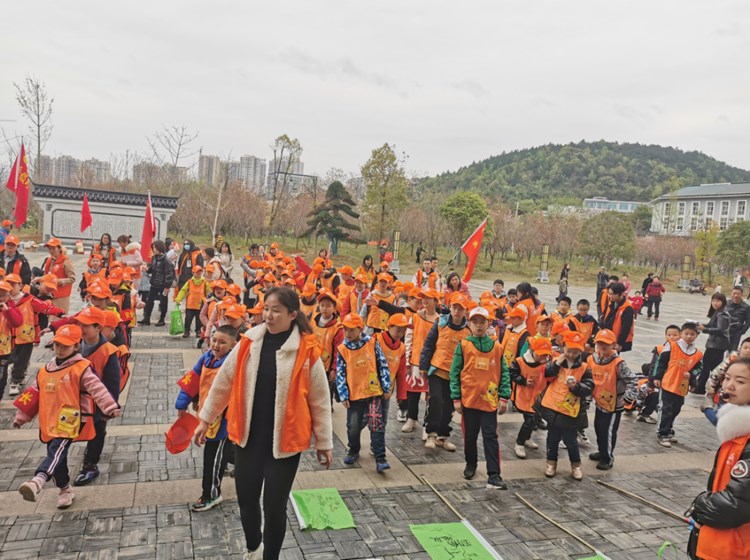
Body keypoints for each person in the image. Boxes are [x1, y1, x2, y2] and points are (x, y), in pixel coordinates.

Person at [195, 287, 333, 560]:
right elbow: (223, 381)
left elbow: (319, 398)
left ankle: (271, 556)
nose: (268, 316)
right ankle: (254, 547)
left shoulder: (305, 350)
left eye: (276, 311)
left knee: (274, 506)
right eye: (266, 309)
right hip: (248, 437)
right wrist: (205, 418)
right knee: (246, 500)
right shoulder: (250, 341)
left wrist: (324, 441)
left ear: (293, 315)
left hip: (285, 442)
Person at [14, 324, 121, 509]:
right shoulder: (45, 369)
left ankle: (37, 481)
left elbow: (97, 388)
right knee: (57, 456)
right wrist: (22, 416)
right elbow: (33, 393)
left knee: (57, 449)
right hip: (49, 419)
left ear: (76, 346)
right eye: (57, 345)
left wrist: (110, 406)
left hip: (71, 419)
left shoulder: (82, 367)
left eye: (65, 345)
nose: (60, 349)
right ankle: (64, 488)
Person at [686, 357, 750, 560]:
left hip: (735, 549)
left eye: (741, 381)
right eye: (728, 378)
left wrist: (698, 506)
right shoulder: (736, 432)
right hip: (718, 542)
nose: (730, 385)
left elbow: (735, 505)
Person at [176, 325, 237, 511]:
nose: (216, 345)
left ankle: (211, 494)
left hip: (223, 420)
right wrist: (182, 403)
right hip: (206, 414)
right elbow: (192, 380)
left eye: (222, 342)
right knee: (224, 452)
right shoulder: (206, 358)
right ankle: (249, 464)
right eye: (214, 340)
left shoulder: (232, 364)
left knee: (212, 458)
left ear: (234, 345)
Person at [450, 307, 510, 489]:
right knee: (470, 436)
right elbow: (455, 373)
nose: (478, 326)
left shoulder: (497, 347)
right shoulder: (463, 345)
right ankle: (471, 463)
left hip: (489, 401)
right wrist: (456, 398)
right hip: (469, 400)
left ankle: (494, 474)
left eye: (482, 322)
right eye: (475, 322)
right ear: (469, 324)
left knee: (490, 437)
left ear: (488, 324)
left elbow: (504, 373)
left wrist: (504, 396)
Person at [72, 307, 122, 486]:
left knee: (97, 431)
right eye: (79, 324)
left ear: (99, 327)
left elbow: (112, 383)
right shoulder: (74, 344)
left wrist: (109, 407)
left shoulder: (108, 351)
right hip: (73, 401)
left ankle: (90, 465)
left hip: (96, 404)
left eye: (87, 325)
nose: (82, 328)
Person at [335, 313, 392, 471]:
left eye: (351, 330)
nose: (347, 333)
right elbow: (340, 373)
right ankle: (353, 450)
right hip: (354, 395)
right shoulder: (342, 349)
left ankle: (380, 457)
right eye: (345, 329)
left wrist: (386, 386)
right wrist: (343, 395)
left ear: (360, 329)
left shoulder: (372, 343)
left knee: (376, 423)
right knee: (353, 425)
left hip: (373, 393)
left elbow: (382, 365)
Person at [539, 330, 594, 481]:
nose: (571, 354)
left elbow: (589, 387)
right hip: (553, 406)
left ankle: (576, 466)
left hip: (570, 409)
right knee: (552, 437)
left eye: (575, 352)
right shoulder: (557, 361)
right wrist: (555, 364)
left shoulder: (584, 367)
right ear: (563, 347)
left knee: (570, 439)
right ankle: (551, 463)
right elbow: (546, 373)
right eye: (569, 351)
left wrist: (576, 387)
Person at [420, 292, 471, 451]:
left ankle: (442, 436)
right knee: (435, 400)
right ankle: (430, 433)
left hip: (455, 375)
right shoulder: (440, 322)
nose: (457, 311)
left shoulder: (469, 330)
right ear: (449, 307)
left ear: (465, 311)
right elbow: (429, 345)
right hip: (437, 369)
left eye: (460, 308)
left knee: (449, 406)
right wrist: (423, 366)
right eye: (454, 307)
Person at [7, 273, 65, 396]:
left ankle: (16, 381)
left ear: (20, 285)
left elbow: (46, 307)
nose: (10, 286)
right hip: (5, 337)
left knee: (22, 360)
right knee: (8, 359)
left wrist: (60, 313)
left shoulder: (29, 299)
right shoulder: (3, 300)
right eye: (8, 283)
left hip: (25, 336)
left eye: (13, 284)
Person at [586, 329, 635, 471]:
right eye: (599, 343)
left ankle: (607, 458)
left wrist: (629, 397)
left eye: (606, 344)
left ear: (613, 345)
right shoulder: (591, 359)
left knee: (608, 431)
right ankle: (602, 451)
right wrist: (587, 399)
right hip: (599, 402)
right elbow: (589, 381)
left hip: (614, 405)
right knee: (599, 428)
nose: (602, 347)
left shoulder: (619, 363)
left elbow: (632, 380)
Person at [653, 322, 703, 448]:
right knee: (666, 409)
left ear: (696, 336)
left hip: (681, 387)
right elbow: (661, 361)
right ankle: (662, 432)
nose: (689, 336)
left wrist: (691, 377)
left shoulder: (697, 353)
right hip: (668, 384)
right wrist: (657, 377)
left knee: (676, 409)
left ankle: (668, 429)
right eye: (686, 333)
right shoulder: (672, 345)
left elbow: (699, 368)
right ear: (681, 334)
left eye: (692, 334)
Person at [402, 288, 440, 434]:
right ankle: (411, 419)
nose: (424, 300)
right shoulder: (415, 317)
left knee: (431, 395)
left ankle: (427, 425)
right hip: (416, 360)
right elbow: (409, 338)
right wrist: (408, 359)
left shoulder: (440, 321)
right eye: (422, 298)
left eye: (428, 298)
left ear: (435, 301)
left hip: (432, 362)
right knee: (413, 392)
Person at [510, 337, 553, 458]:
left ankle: (527, 438)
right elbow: (512, 374)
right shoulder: (519, 361)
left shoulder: (546, 363)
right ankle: (519, 443)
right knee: (530, 420)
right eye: (540, 354)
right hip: (523, 396)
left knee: (533, 420)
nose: (543, 357)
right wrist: (523, 381)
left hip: (538, 397)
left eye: (545, 354)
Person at [696, 293, 731, 394]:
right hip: (716, 344)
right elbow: (713, 325)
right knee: (716, 368)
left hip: (717, 345)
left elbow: (720, 330)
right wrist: (702, 326)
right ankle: (717, 388)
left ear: (723, 302)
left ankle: (701, 388)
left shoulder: (723, 314)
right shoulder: (718, 312)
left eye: (718, 301)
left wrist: (705, 329)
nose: (715, 303)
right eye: (713, 301)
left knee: (706, 365)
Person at [139, 240, 175, 327]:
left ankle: (162, 319)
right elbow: (153, 268)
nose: (153, 249)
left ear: (160, 248)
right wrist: (147, 270)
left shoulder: (167, 261)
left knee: (163, 302)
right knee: (149, 301)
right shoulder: (154, 257)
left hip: (163, 285)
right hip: (154, 283)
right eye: (153, 248)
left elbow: (169, 275)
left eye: (155, 248)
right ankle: (147, 318)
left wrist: (167, 286)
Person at [0, 280, 23, 400]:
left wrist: (7, 311)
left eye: (4, 295)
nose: (1, 298)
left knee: (1, 378)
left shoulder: (11, 306)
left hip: (4, 350)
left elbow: (17, 322)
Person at [42, 238, 76, 314]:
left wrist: (59, 281)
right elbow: (46, 275)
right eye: (49, 248)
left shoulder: (66, 261)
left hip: (61, 295)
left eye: (53, 248)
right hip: (50, 294)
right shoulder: (49, 260)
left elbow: (72, 278)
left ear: (59, 248)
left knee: (60, 319)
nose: (51, 251)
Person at [175, 265, 210, 339]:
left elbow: (208, 293)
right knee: (188, 319)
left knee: (199, 320)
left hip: (200, 305)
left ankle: (198, 331)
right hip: (190, 305)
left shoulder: (205, 282)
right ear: (193, 273)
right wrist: (178, 299)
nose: (198, 273)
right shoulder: (189, 282)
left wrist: (209, 302)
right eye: (197, 272)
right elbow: (183, 291)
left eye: (200, 272)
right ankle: (186, 331)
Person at [603, 282, 635, 353]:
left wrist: (619, 343)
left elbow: (626, 328)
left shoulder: (627, 308)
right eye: (609, 293)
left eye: (613, 294)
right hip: (607, 337)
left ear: (621, 294)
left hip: (616, 341)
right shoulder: (611, 302)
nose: (610, 296)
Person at [727, 286, 750, 351]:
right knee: (718, 352)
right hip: (723, 332)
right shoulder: (726, 303)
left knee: (732, 353)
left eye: (738, 294)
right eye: (734, 293)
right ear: (731, 294)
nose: (736, 295)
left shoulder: (746, 307)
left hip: (735, 333)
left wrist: (741, 331)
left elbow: (748, 321)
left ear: (741, 294)